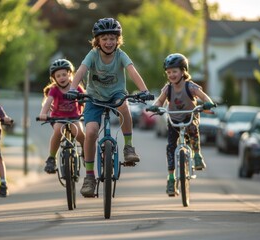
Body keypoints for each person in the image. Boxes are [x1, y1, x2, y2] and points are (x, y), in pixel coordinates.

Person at [65, 17, 153, 197]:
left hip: (116, 95)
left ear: (118, 40)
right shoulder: (93, 55)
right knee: (90, 132)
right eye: (104, 38)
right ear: (97, 41)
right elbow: (81, 70)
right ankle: (89, 177)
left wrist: (144, 90)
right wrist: (73, 89)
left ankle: (128, 147)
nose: (108, 42)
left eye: (112, 38)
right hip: (94, 97)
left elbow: (132, 71)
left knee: (124, 107)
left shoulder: (121, 55)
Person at [148, 53, 215, 196]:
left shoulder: (190, 86)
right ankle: (171, 178)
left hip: (189, 116)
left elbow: (203, 96)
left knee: (193, 131)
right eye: (169, 72)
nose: (171, 75)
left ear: (183, 71)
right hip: (174, 119)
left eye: (175, 71)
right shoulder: (168, 89)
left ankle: (197, 155)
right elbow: (160, 101)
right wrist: (154, 107)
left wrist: (207, 104)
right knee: (171, 146)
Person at [39, 59, 85, 174]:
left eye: (64, 74)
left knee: (79, 133)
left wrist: (87, 111)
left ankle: (85, 151)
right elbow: (48, 102)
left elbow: (85, 100)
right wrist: (43, 113)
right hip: (58, 118)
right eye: (58, 76)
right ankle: (51, 158)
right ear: (54, 78)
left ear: (70, 74)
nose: (62, 77)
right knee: (58, 131)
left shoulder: (76, 87)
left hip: (74, 117)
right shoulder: (54, 90)